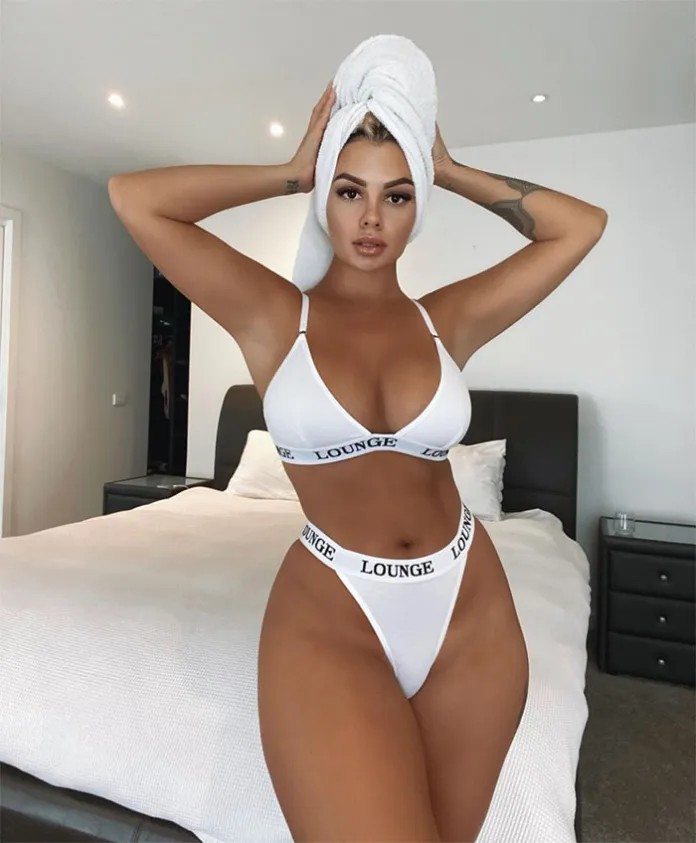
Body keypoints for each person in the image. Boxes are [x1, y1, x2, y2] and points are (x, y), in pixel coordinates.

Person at [108, 81, 607, 842]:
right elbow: (135, 199)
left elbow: (580, 227)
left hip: (470, 608)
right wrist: (289, 172)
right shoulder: (275, 315)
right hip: (335, 605)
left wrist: (452, 171)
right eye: (349, 191)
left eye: (397, 196)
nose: (372, 218)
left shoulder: (446, 320)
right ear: (325, 199)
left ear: (417, 207)